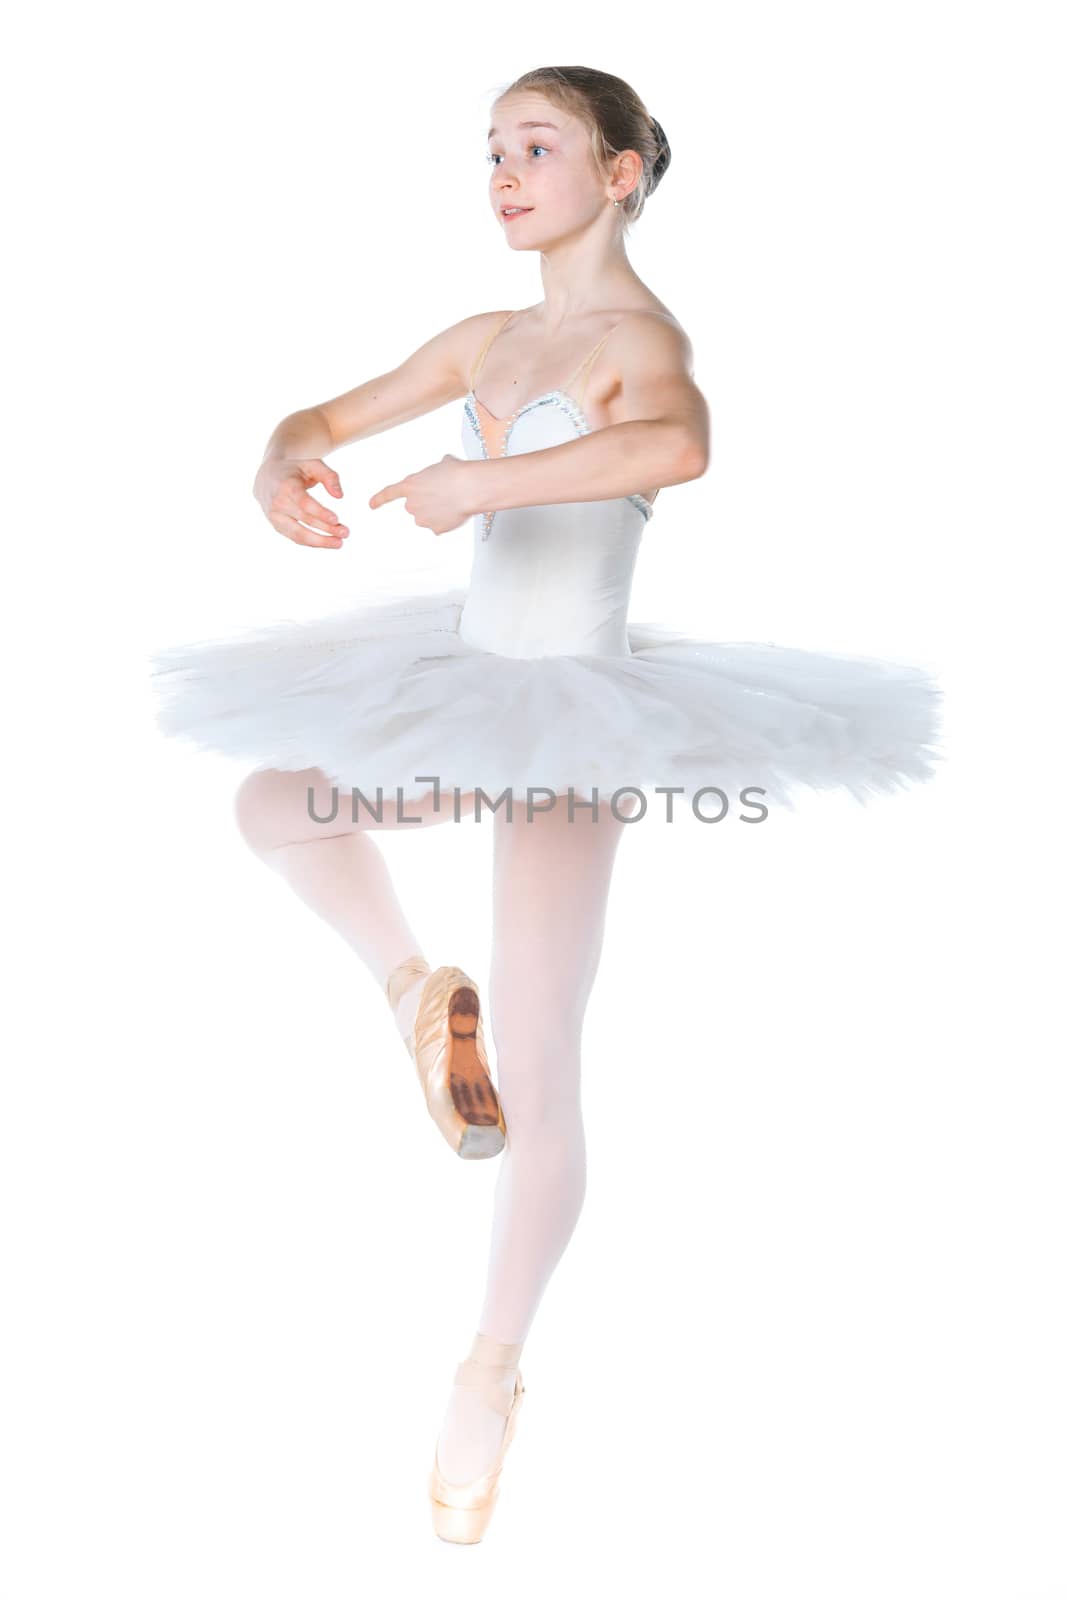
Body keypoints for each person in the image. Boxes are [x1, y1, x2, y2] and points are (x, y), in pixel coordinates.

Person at [149, 64, 943, 1543]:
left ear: (624, 171)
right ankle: (405, 987)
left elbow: (676, 449)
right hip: (462, 682)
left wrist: (482, 489)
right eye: (492, 152)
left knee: (542, 1052)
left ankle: (490, 1367)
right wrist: (283, 464)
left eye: (539, 148)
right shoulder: (489, 339)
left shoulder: (643, 339)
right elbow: (318, 415)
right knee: (275, 805)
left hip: (574, 715)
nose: (504, 173)